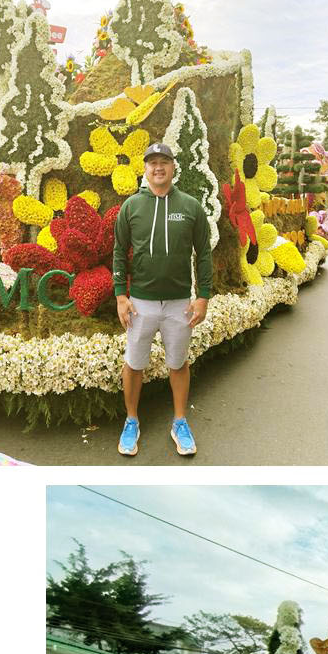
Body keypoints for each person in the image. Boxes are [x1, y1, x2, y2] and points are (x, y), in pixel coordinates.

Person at [111, 142, 213, 457]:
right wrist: (120, 295)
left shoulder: (191, 206)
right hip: (140, 303)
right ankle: (131, 421)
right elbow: (118, 252)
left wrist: (203, 297)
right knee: (134, 363)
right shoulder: (131, 207)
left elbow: (204, 254)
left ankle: (179, 421)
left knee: (178, 363)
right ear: (146, 168)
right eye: (153, 162)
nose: (158, 168)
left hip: (179, 302)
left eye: (164, 162)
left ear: (173, 167)